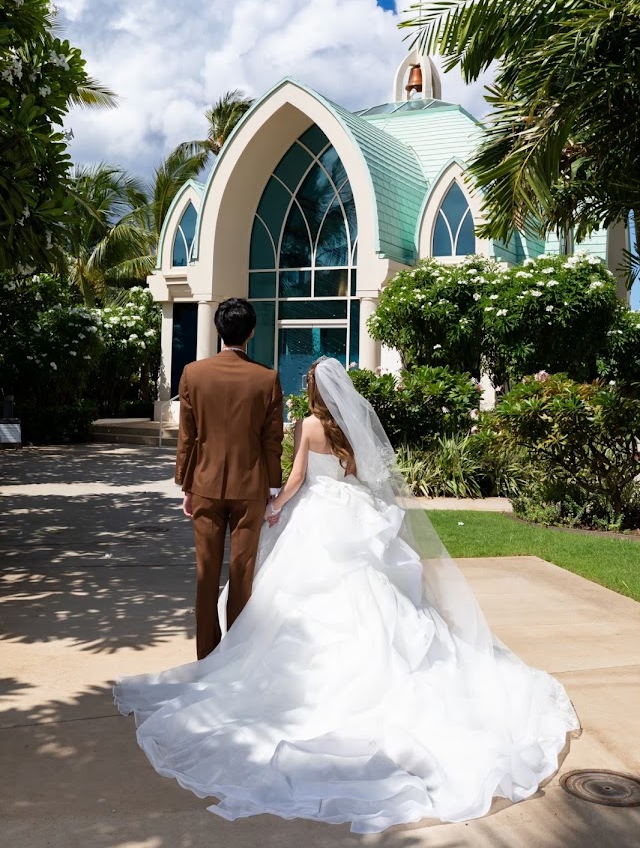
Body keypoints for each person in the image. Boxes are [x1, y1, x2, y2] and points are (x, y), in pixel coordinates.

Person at [114, 357, 579, 834]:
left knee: (290, 594)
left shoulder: (310, 426)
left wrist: (274, 506)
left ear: (313, 391)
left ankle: (249, 661)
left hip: (318, 516)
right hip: (351, 511)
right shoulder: (350, 430)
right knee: (374, 592)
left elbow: (296, 478)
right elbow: (360, 476)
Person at [174, 297, 283, 659]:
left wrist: (184, 485)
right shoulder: (267, 378)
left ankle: (206, 655)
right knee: (242, 575)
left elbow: (187, 436)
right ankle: (235, 658)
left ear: (218, 331)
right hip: (250, 487)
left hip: (204, 485)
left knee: (206, 576)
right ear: (251, 332)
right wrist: (273, 487)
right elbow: (272, 441)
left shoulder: (193, 373)